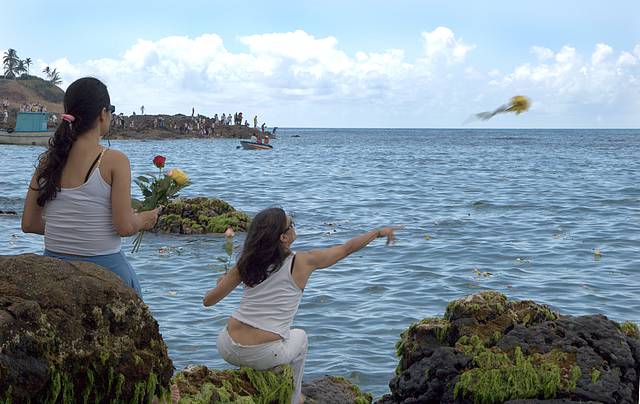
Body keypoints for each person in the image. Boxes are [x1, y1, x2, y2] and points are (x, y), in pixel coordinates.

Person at [203, 208, 397, 404]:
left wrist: (221, 283)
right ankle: (294, 398)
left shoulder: (245, 263)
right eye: (291, 224)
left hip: (226, 346)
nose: (294, 226)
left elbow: (208, 301)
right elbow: (346, 249)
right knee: (300, 337)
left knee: (266, 341)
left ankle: (261, 378)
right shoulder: (302, 262)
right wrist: (377, 232)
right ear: (283, 238)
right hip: (264, 354)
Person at [21, 77, 159, 297]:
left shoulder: (48, 162)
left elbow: (28, 224)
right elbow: (124, 227)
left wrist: (69, 229)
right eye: (111, 110)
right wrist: (146, 218)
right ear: (103, 113)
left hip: (53, 273)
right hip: (105, 272)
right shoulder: (114, 160)